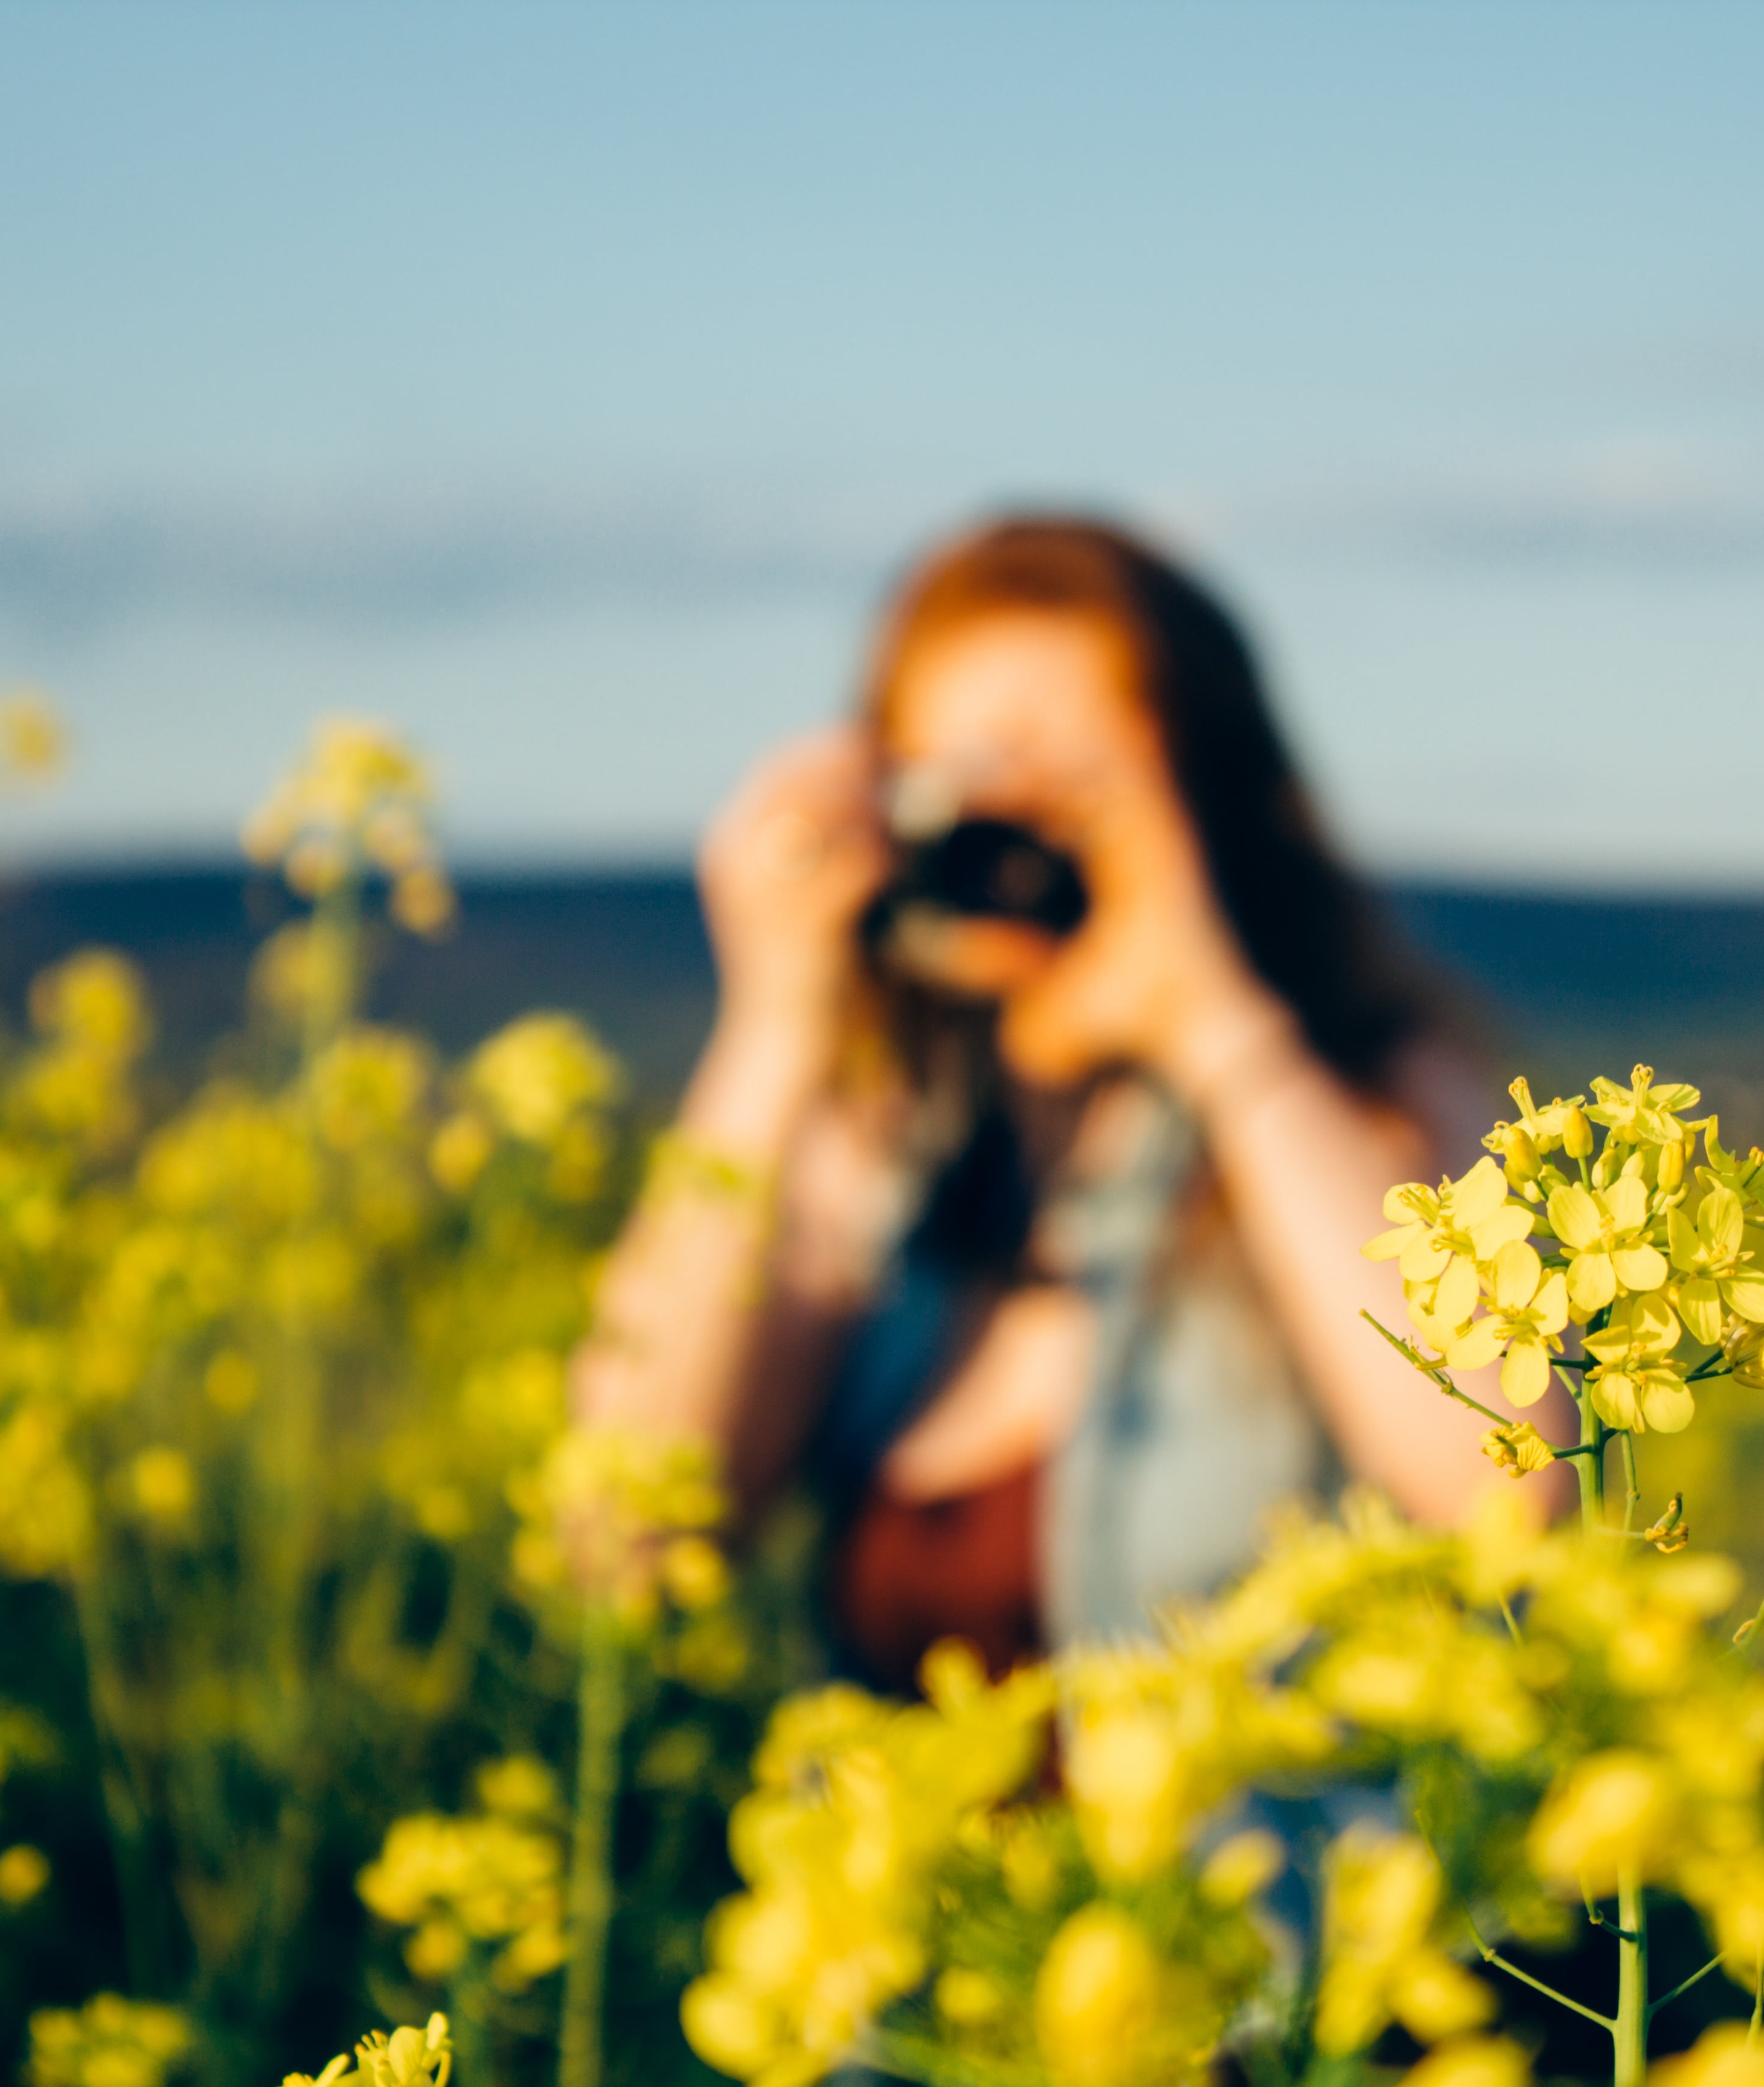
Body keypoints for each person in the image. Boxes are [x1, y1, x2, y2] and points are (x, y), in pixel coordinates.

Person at [570, 516, 1568, 1689]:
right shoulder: (884, 1152)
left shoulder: (1369, 1099)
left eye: (1059, 789)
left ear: (1203, 800)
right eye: (949, 789)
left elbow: (1515, 1505)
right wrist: (778, 1023)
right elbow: (618, 1547)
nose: (1003, 846)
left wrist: (1216, 1025)